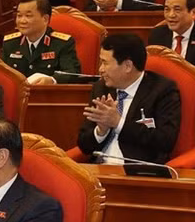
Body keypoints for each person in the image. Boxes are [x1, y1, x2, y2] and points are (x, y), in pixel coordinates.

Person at [76, 33, 181, 165]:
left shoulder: (162, 91)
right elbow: (83, 145)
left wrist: (118, 122)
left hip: (136, 173)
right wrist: (100, 131)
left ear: (127, 66)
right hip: (98, 171)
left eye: (105, 63)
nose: (100, 69)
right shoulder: (101, 88)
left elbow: (165, 141)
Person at [1, 0, 81, 84]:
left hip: (49, 95)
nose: (22, 21)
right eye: (19, 16)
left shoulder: (62, 43)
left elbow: (72, 73)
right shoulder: (10, 43)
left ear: (45, 19)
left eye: (28, 16)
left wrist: (52, 80)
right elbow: (1, 75)